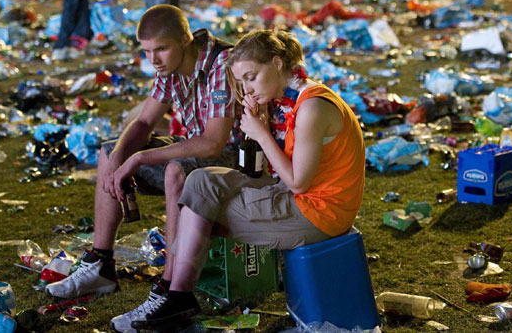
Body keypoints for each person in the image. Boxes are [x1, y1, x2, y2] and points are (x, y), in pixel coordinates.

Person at [124, 29, 366, 330]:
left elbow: (298, 183)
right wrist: (262, 125)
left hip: (318, 213)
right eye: (240, 82)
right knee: (200, 181)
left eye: (251, 77)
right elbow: (265, 172)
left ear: (277, 63)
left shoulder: (312, 107)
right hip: (293, 195)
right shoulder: (284, 102)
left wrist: (262, 134)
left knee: (199, 209)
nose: (247, 89)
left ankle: (175, 295)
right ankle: (178, 295)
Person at [45, 4, 240, 331]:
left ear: (185, 39)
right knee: (111, 151)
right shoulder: (168, 66)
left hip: (236, 160)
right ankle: (101, 265)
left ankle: (170, 291)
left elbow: (213, 143)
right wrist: (121, 156)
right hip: (197, 149)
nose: (154, 59)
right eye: (147, 51)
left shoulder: (222, 63)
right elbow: (146, 120)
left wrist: (138, 159)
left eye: (161, 49)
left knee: (176, 169)